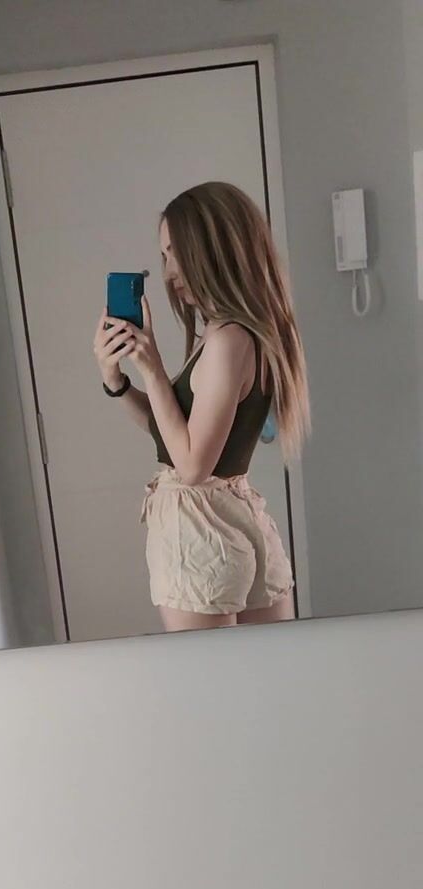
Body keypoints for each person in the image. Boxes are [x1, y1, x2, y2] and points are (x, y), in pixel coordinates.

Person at [92, 181, 310, 632]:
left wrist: (152, 367)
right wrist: (118, 383)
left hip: (199, 533)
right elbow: (174, 433)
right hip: (238, 520)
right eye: (164, 256)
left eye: (176, 253)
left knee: (208, 677)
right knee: (275, 671)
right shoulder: (243, 331)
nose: (169, 272)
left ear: (213, 250)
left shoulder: (228, 339)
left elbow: (191, 467)